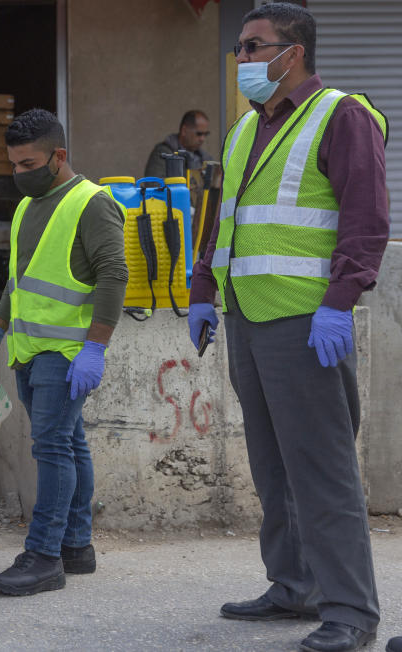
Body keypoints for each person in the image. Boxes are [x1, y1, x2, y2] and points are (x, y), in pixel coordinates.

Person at [187, 4, 388, 652]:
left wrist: (338, 301)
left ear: (291, 52)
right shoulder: (247, 129)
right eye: (242, 48)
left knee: (321, 471)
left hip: (306, 322)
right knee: (273, 469)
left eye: (253, 47)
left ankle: (351, 610)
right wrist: (202, 289)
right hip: (248, 317)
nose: (241, 59)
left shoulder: (341, 116)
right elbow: (223, 216)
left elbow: (365, 217)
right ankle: (293, 585)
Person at [0, 108, 128, 596]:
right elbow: (19, 278)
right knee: (70, 441)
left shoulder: (91, 203)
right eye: (13, 164)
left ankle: (43, 556)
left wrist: (95, 347)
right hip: (29, 348)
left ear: (58, 156)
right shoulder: (26, 207)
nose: (19, 173)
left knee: (52, 446)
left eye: (28, 163)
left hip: (68, 349)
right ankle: (76, 546)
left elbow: (113, 274)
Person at [143, 110, 213, 178]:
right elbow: (154, 184)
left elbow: (209, 189)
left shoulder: (205, 158)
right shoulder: (163, 154)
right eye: (199, 134)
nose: (202, 139)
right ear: (184, 130)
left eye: (206, 134)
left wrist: (216, 184)